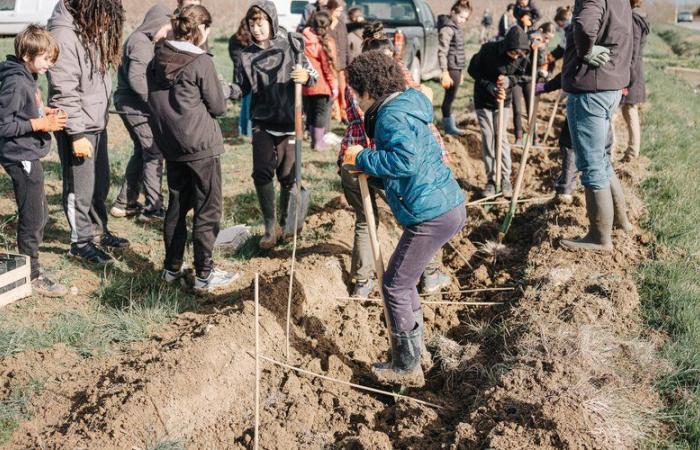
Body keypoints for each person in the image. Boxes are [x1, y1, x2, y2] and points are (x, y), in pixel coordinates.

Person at [343, 51, 465, 386]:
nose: (353, 98)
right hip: (442, 206)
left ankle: (407, 366)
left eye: (355, 90)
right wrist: (369, 169)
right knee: (403, 280)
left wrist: (364, 157)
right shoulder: (405, 105)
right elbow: (410, 167)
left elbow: (405, 162)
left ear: (368, 88)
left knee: (394, 284)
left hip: (432, 214)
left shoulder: (390, 117)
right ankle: (416, 352)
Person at [339, 33, 451, 299]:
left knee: (366, 220)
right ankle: (430, 273)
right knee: (415, 213)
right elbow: (419, 102)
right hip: (380, 158)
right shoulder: (397, 80)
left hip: (354, 153)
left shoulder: (353, 82)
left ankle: (363, 282)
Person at [148, 5, 237, 293]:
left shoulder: (155, 58)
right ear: (201, 30)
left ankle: (171, 269)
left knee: (177, 206)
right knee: (207, 210)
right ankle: (204, 275)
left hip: (172, 146)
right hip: (201, 146)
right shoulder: (201, 63)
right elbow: (219, 107)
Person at [230, 1, 317, 249]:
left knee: (289, 178)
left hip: (291, 122)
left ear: (271, 21)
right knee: (261, 173)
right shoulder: (246, 56)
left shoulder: (291, 45)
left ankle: (286, 223)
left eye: (260, 23)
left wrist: (306, 76)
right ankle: (270, 227)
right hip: (263, 122)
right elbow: (242, 88)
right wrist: (226, 90)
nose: (256, 29)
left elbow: (314, 75)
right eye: (252, 24)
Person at [48, 0, 129, 266]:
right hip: (77, 127)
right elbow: (64, 91)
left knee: (100, 183)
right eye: (105, 17)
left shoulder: (88, 29)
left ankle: (98, 230)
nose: (107, 24)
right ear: (90, 9)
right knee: (79, 189)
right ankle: (80, 243)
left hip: (95, 122)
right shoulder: (64, 35)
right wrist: (76, 134)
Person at [560, 0, 633, 252]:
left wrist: (585, 51)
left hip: (591, 89)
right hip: (610, 85)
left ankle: (599, 237)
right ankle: (621, 222)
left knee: (591, 163)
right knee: (601, 158)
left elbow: (584, 25)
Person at [0, 25, 67, 297]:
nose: (50, 64)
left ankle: (33, 268)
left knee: (39, 213)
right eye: (46, 58)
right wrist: (41, 122)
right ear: (28, 54)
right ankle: (32, 275)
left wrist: (43, 110)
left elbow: (20, 111)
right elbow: (4, 125)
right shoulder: (17, 81)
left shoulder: (26, 75)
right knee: (32, 216)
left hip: (27, 152)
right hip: (20, 155)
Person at [111, 4, 171, 224]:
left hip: (134, 102)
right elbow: (137, 81)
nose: (167, 34)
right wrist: (158, 103)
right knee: (153, 151)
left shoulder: (145, 41)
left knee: (142, 150)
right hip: (132, 103)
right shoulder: (140, 42)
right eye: (166, 28)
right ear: (156, 24)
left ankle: (124, 203)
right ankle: (153, 209)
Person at [468, 26, 530, 198]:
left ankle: (505, 179)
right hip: (483, 99)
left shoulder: (523, 56)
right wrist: (490, 86)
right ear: (506, 47)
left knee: (501, 138)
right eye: (513, 54)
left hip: (504, 101)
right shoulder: (488, 50)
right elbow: (473, 70)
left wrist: (509, 81)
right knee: (488, 138)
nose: (516, 57)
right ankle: (491, 179)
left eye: (519, 54)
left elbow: (522, 76)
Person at [303, 10, 338, 151]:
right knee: (320, 113)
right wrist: (334, 86)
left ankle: (313, 141)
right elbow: (327, 67)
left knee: (310, 112)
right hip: (321, 84)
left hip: (305, 83)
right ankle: (318, 143)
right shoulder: (325, 42)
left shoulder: (303, 37)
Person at [620, 0, 649, 161]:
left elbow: (633, 49)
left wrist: (627, 78)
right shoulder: (639, 17)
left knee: (629, 110)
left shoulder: (634, 19)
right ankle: (632, 151)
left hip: (631, 72)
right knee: (628, 110)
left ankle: (632, 152)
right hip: (633, 70)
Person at [438, 1, 471, 136]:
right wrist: (444, 72)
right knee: (449, 98)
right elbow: (442, 52)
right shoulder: (447, 29)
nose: (463, 20)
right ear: (453, 12)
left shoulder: (456, 28)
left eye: (465, 18)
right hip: (450, 68)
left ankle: (450, 125)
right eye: (461, 17)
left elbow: (459, 51)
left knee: (451, 98)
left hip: (456, 68)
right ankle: (449, 127)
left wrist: (461, 71)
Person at [229, 18, 253, 138]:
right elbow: (238, 61)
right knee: (248, 104)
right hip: (247, 76)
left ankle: (244, 130)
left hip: (242, 76)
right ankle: (248, 131)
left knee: (246, 104)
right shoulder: (237, 40)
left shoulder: (233, 39)